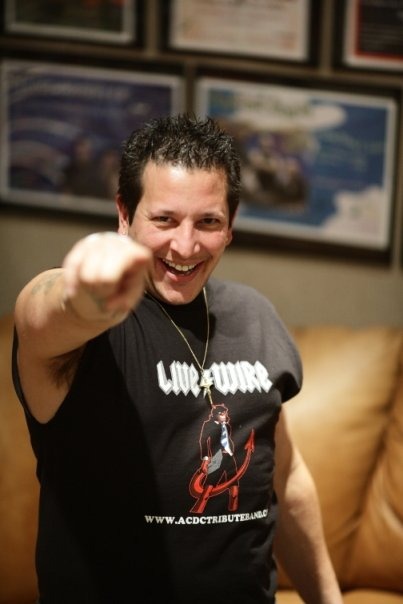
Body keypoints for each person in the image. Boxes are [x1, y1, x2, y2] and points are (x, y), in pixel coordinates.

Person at [13, 114, 343, 604]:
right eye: (164, 220)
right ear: (124, 214)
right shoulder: (83, 334)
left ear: (230, 227)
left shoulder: (255, 315)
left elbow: (285, 476)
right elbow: (41, 310)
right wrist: (85, 293)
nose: (185, 246)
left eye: (208, 222)